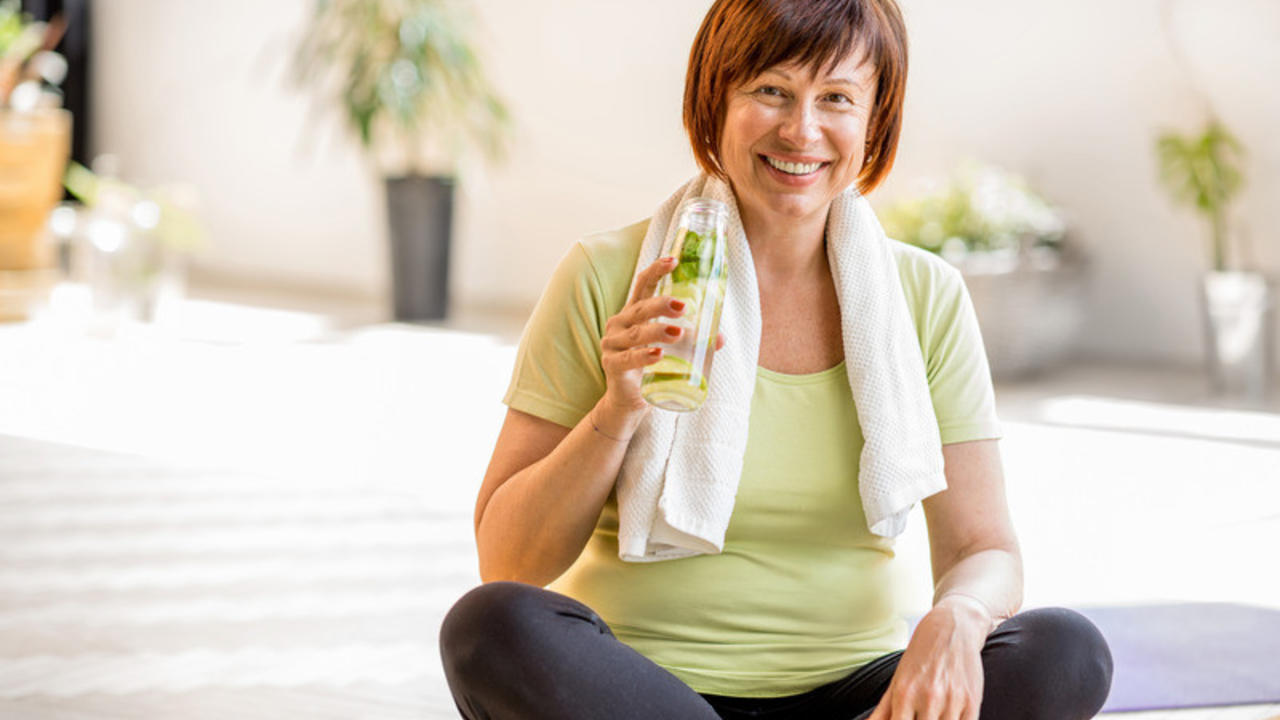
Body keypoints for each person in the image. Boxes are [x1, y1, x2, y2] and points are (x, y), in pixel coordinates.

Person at [440, 0, 1113, 717]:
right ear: (715, 101)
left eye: (837, 98)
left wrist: (959, 616)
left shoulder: (925, 296)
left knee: (1066, 651)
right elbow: (507, 563)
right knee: (491, 627)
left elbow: (985, 549)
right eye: (771, 90)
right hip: (649, 694)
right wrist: (618, 409)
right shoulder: (608, 276)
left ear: (875, 120)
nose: (801, 130)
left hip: (861, 695)